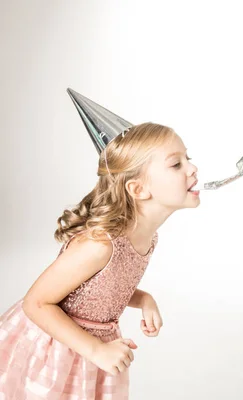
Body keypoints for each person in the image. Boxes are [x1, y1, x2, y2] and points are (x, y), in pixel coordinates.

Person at [0, 89, 200, 399]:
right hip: (56, 349)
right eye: (176, 164)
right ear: (138, 188)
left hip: (93, 351)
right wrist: (95, 350)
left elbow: (101, 289)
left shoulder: (148, 237)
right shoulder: (99, 244)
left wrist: (143, 298)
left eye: (188, 158)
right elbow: (36, 303)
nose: (193, 168)